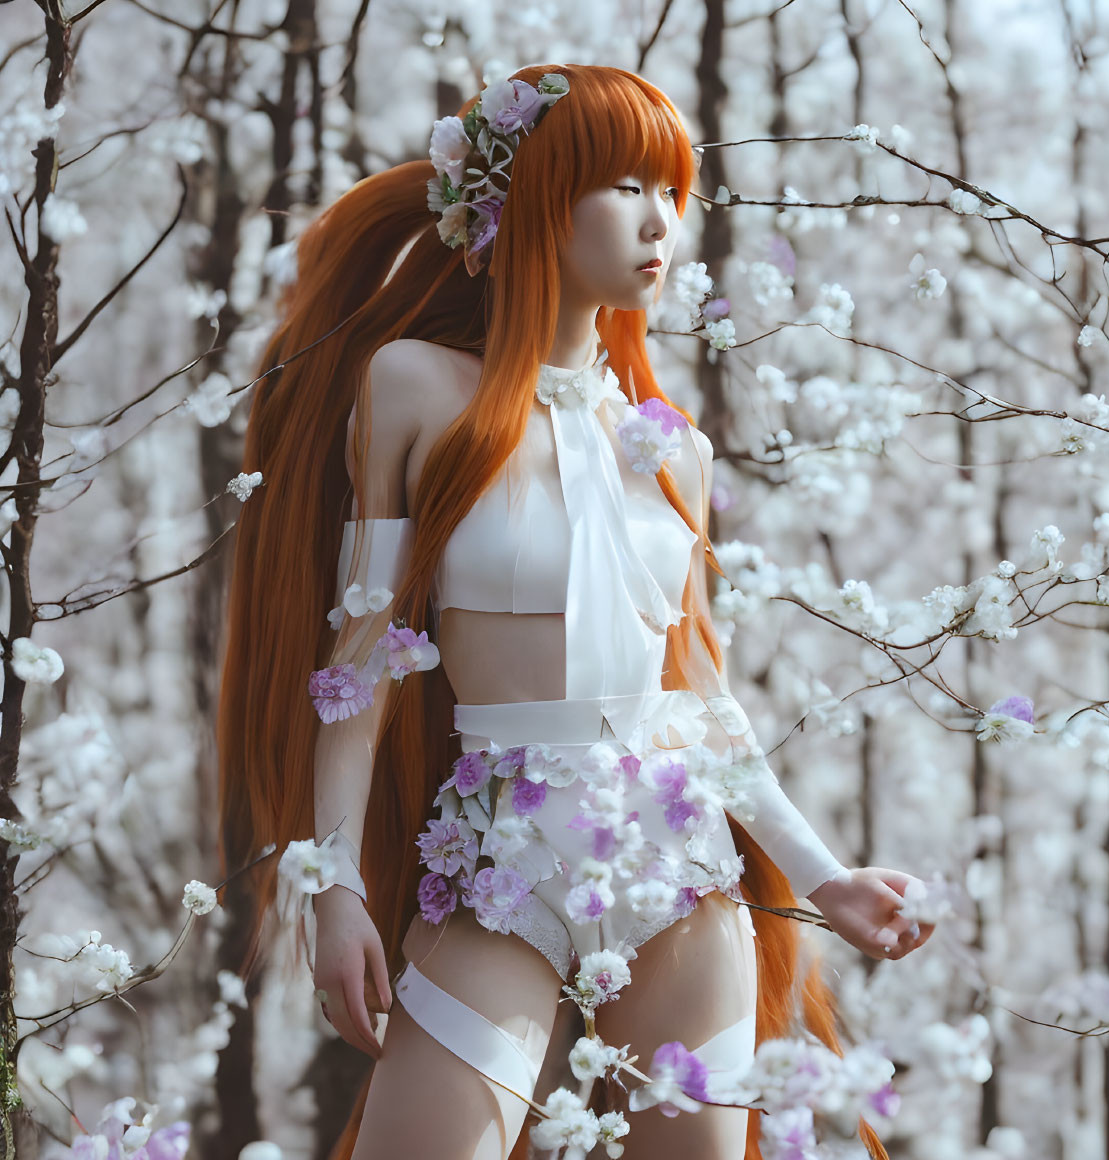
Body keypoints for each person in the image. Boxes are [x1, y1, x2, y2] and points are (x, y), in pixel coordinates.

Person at [216, 64, 932, 1160]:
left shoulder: (670, 447)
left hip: (681, 867)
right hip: (494, 861)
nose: (660, 222)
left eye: (672, 190)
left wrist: (820, 868)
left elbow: (700, 704)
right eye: (625, 185)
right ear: (537, 199)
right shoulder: (410, 386)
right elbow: (354, 670)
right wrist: (336, 886)